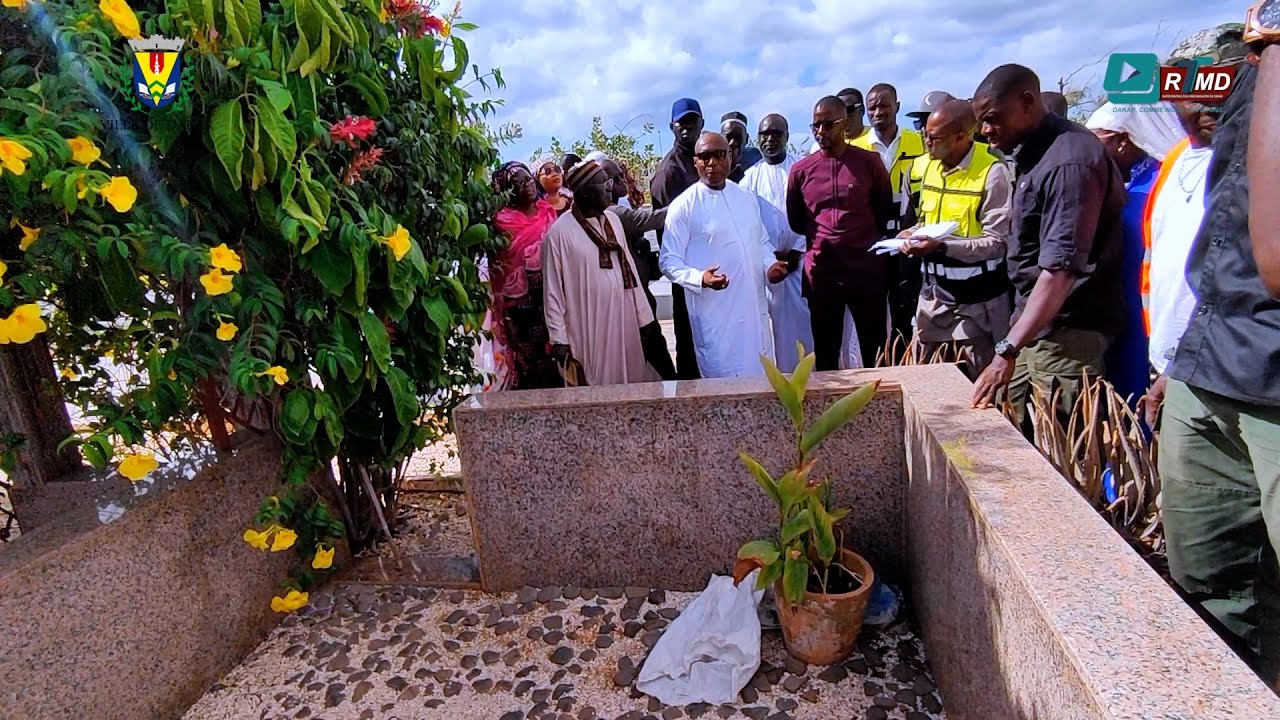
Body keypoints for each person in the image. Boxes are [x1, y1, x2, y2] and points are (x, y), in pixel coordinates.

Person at [1157, 15, 1280, 686]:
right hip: (1211, 365)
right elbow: (1220, 249)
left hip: (1272, 384)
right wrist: (1185, 356)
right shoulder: (1239, 97)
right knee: (1206, 583)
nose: (1192, 115)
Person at [968, 64, 1127, 437]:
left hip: (1066, 333)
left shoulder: (1069, 162)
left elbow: (1060, 272)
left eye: (993, 119)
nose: (986, 131)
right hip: (1035, 327)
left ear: (1027, 101)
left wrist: (1006, 350)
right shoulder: (1036, 152)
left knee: (1061, 447)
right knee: (1017, 433)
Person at [897, 100, 1013, 377]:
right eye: (925, 134)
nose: (927, 142)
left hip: (977, 302)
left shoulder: (992, 172)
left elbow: (998, 242)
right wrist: (911, 233)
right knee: (926, 381)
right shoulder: (929, 168)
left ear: (961, 136)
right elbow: (928, 222)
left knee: (978, 384)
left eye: (934, 137)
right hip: (933, 297)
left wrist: (942, 247)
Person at [660, 132, 786, 378]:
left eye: (719, 155)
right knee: (724, 383)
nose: (712, 163)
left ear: (730, 157)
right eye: (704, 156)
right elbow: (668, 260)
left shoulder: (745, 197)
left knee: (762, 376)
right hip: (716, 316)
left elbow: (760, 241)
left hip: (753, 310)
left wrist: (770, 265)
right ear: (695, 161)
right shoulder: (684, 206)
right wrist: (700, 279)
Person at [1084, 101, 1183, 405]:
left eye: (1098, 141)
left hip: (1146, 307)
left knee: (1139, 384)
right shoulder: (1119, 180)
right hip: (1115, 304)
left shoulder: (1163, 183)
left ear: (1123, 140)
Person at [787, 96, 896, 371]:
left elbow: (883, 210)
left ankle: (877, 397)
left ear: (844, 124)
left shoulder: (869, 162)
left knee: (875, 349)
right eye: (815, 126)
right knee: (826, 352)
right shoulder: (801, 171)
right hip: (822, 274)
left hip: (865, 270)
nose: (821, 132)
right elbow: (797, 221)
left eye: (828, 124)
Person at [542, 161, 664, 387]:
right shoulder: (558, 234)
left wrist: (645, 318)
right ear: (585, 193)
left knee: (632, 379)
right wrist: (559, 339)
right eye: (604, 184)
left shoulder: (614, 221)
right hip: (588, 324)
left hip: (624, 319)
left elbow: (630, 271)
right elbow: (553, 291)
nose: (610, 188)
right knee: (595, 383)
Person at [1138, 103, 1217, 427]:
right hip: (1170, 361)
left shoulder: (1252, 158)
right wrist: (1163, 355)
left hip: (1221, 367)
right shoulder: (1175, 159)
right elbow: (1156, 257)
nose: (1209, 105)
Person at [854, 82, 928, 345]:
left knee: (905, 300)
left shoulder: (918, 142)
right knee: (871, 303)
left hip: (907, 229)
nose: (878, 112)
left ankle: (903, 355)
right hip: (871, 231)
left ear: (897, 106)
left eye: (884, 105)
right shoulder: (856, 147)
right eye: (872, 107)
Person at [742, 113, 814, 372]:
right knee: (771, 331)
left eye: (776, 134)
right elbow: (748, 224)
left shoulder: (802, 169)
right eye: (764, 134)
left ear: (786, 136)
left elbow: (813, 214)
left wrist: (797, 250)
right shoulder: (749, 179)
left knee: (804, 326)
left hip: (801, 262)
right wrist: (770, 257)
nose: (770, 139)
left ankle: (809, 379)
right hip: (767, 267)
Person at [490, 161, 563, 390]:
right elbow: (497, 268)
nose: (527, 185)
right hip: (520, 305)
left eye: (528, 179)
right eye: (517, 183)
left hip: (553, 295)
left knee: (561, 355)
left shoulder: (547, 212)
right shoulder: (501, 223)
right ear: (506, 190)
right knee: (532, 365)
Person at [651, 98, 706, 380]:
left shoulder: (707, 159)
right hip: (687, 271)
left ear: (702, 123)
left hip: (714, 266)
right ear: (671, 127)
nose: (686, 128)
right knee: (689, 339)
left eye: (691, 122)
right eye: (680, 123)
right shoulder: (668, 173)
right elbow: (669, 233)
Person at [601, 159, 667, 314]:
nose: (623, 181)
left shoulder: (613, 209)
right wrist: (686, 203)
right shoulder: (613, 212)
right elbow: (649, 220)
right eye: (616, 178)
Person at [809, 88, 868, 154]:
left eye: (849, 109)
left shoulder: (875, 138)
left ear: (862, 110)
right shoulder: (818, 148)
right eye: (838, 111)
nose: (844, 115)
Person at [722, 111, 763, 178]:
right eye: (728, 137)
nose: (732, 142)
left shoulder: (756, 164)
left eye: (738, 138)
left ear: (746, 140)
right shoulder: (709, 164)